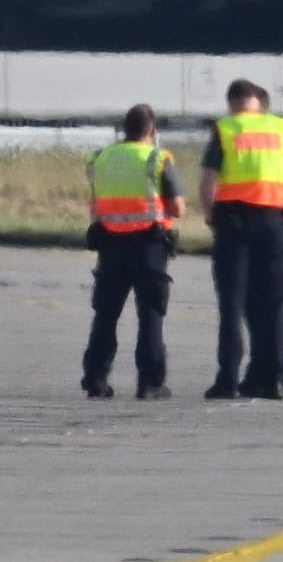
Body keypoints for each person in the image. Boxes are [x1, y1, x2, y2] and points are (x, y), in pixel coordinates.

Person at [200, 79, 283, 400]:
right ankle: (274, 379)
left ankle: (228, 380)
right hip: (275, 222)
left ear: (232, 102)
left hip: (234, 222)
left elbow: (208, 182)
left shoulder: (226, 129)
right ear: (261, 103)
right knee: (275, 303)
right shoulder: (282, 130)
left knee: (233, 302)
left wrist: (211, 218)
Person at [81, 104, 185, 400]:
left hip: (110, 245)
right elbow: (177, 206)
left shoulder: (101, 158)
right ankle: (150, 382)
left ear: (124, 130)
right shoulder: (157, 158)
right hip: (148, 246)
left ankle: (95, 377)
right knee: (150, 314)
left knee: (105, 314)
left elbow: (98, 199)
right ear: (152, 131)